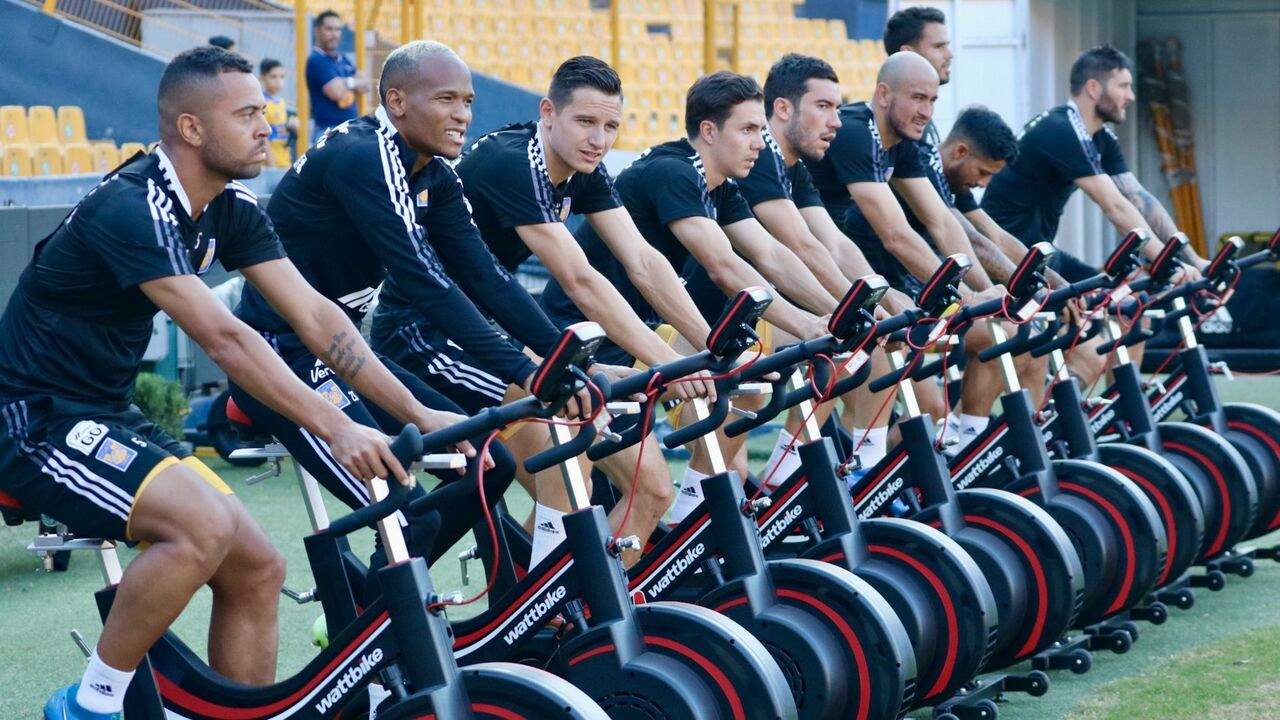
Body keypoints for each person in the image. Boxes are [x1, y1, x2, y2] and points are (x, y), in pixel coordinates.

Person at [1, 47, 422, 720]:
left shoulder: (230, 209)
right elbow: (226, 338)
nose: (268, 126)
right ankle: (90, 704)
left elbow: (318, 317)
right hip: (33, 420)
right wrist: (336, 425)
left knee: (258, 566)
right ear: (192, 128)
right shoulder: (131, 206)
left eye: (266, 112)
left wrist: (418, 414)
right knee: (201, 526)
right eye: (248, 113)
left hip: (106, 414)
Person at [235, 39, 525, 587]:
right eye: (446, 99)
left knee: (491, 465)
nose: (463, 115)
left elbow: (489, 277)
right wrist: (524, 368)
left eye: (468, 101)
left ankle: (378, 605)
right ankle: (373, 623)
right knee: (404, 508)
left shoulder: (433, 175)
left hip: (344, 353)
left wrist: (546, 362)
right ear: (396, 101)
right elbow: (425, 281)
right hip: (279, 357)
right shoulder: (364, 155)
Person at [451, 56, 722, 567]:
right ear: (548, 113)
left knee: (651, 487)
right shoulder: (512, 161)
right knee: (572, 475)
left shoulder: (583, 170)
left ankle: (579, 601)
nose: (599, 140)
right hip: (444, 336)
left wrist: (710, 349)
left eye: (610, 126)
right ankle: (544, 604)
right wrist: (668, 361)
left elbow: (644, 261)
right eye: (585, 122)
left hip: (500, 332)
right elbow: (581, 280)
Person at [542, 70, 839, 521]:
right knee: (630, 494)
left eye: (760, 130)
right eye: (748, 129)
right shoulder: (674, 171)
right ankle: (687, 525)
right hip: (586, 344)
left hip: (635, 338)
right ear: (709, 131)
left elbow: (771, 255)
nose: (760, 143)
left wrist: (832, 315)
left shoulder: (721, 186)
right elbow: (725, 266)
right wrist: (806, 326)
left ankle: (692, 521)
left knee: (744, 404)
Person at [981, 45, 1207, 382]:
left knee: (1131, 306)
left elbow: (1138, 199)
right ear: (1093, 88)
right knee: (1089, 359)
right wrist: (1166, 264)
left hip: (1042, 257)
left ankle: (1122, 410)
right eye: (1123, 86)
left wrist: (1192, 259)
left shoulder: (1099, 138)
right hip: (1008, 262)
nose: (1130, 96)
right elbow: (1114, 206)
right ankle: (1066, 410)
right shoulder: (1061, 130)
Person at [883, 7, 1055, 444]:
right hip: (892, 292)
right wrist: (990, 293)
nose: (950, 54)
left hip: (922, 289)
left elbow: (982, 229)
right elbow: (950, 231)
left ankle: (970, 446)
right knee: (931, 408)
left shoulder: (923, 135)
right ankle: (956, 452)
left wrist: (1043, 281)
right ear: (908, 53)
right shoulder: (897, 137)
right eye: (939, 45)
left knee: (1022, 340)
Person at [305, 10, 370, 134]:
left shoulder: (342, 59)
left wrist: (346, 82)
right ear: (317, 31)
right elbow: (337, 93)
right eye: (329, 29)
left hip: (350, 129)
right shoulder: (316, 60)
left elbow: (366, 85)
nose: (334, 34)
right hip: (329, 132)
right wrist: (354, 83)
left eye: (338, 29)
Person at [259, 58, 298, 167]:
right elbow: (263, 137)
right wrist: (271, 163)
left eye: (282, 77)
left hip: (284, 159)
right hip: (269, 162)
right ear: (262, 78)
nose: (278, 81)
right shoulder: (262, 103)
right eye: (273, 77)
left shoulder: (281, 102)